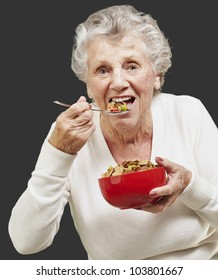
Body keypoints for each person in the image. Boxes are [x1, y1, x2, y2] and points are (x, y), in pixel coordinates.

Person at [8, 4, 218, 260]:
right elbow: (25, 241)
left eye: (132, 66)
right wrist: (58, 153)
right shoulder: (69, 135)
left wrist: (189, 185)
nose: (118, 83)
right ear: (88, 84)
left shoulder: (187, 113)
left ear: (157, 76)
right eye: (103, 70)